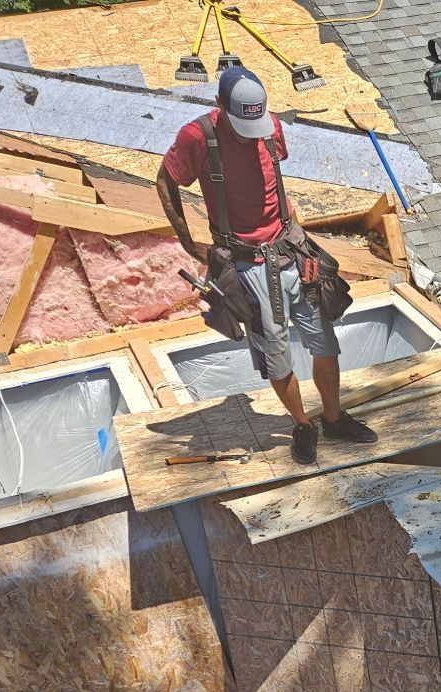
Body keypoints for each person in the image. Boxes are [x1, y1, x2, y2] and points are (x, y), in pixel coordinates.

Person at [156, 69, 375, 465]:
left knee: (324, 341)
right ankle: (303, 426)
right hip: (248, 264)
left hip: (292, 251)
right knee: (276, 352)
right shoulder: (198, 137)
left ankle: (334, 419)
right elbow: (165, 181)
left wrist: (301, 241)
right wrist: (189, 243)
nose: (250, 135)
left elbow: (274, 186)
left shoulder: (269, 125)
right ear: (220, 106)